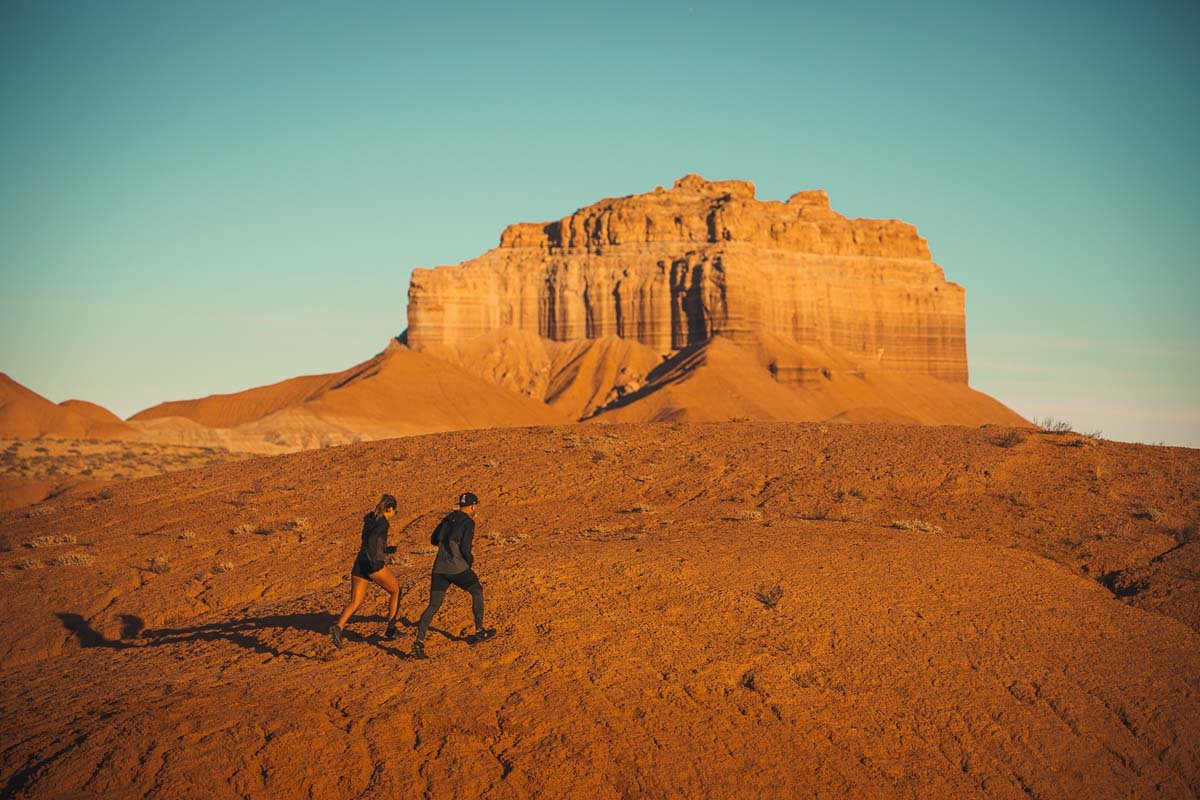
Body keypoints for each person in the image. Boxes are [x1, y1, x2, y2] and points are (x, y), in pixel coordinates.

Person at [412, 491, 495, 658]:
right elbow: (465, 548)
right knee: (477, 590)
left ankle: (419, 642)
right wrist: (469, 561)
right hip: (456, 568)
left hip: (439, 569)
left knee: (433, 605)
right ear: (472, 506)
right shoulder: (468, 522)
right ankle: (479, 630)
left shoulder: (449, 517)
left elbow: (434, 540)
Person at [330, 494, 403, 648]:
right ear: (389, 508)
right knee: (396, 591)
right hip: (371, 564)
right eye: (394, 512)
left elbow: (370, 540)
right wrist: (375, 560)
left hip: (360, 562)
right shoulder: (383, 523)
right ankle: (391, 629)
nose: (393, 515)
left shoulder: (370, 518)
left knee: (355, 601)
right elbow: (372, 541)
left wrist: (387, 549)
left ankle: (338, 627)